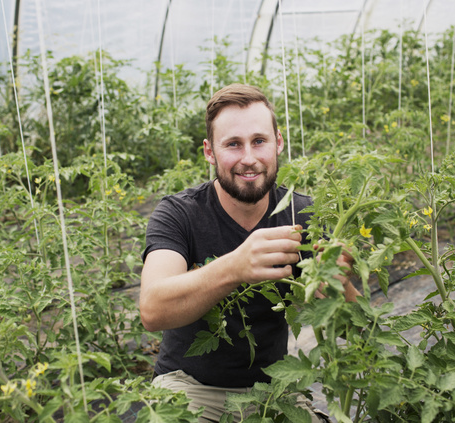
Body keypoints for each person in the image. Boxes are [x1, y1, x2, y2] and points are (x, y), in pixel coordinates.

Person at [140, 83, 359, 422]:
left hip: (275, 390)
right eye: (232, 144)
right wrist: (235, 267)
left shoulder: (306, 216)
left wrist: (339, 283)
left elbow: (353, 328)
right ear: (209, 152)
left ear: (278, 143)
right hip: (191, 388)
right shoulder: (179, 214)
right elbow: (152, 310)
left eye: (259, 141)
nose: (249, 158)